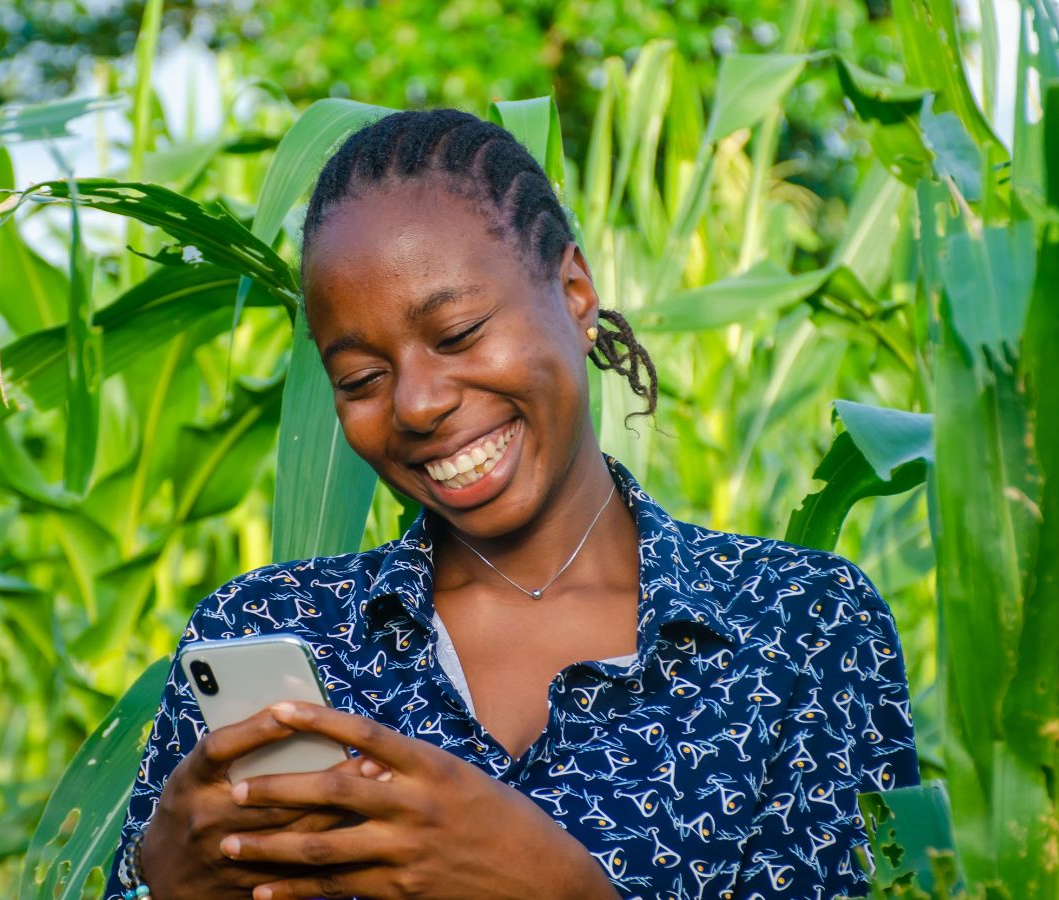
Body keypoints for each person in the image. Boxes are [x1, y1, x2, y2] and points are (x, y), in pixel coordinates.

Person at [103, 109, 918, 900]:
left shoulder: (801, 626)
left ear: (575, 293)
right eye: (361, 378)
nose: (417, 403)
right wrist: (158, 884)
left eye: (458, 334)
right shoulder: (268, 629)